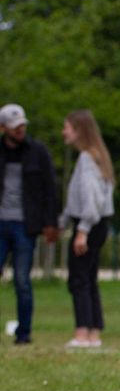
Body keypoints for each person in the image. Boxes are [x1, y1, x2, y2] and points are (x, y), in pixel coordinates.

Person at [0, 103, 59, 345]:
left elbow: (50, 190)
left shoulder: (38, 152)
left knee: (22, 281)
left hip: (26, 226)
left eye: (22, 125)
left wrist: (50, 223)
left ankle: (24, 333)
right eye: (15, 127)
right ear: (3, 128)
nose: (20, 130)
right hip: (0, 224)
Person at [59, 110, 115, 348]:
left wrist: (82, 231)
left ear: (79, 130)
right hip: (98, 224)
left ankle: (82, 333)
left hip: (90, 225)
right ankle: (93, 333)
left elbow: (91, 200)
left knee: (79, 279)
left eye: (67, 127)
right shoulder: (98, 157)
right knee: (89, 279)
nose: (64, 132)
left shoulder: (86, 159)